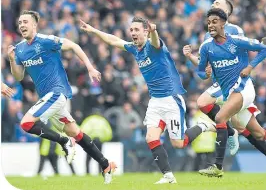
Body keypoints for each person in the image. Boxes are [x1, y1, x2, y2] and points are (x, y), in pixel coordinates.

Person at [80, 17, 216, 184]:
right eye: (131, 30)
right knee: (151, 137)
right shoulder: (133, 48)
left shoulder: (154, 46)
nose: (133, 33)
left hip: (171, 99)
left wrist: (153, 30)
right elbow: (113, 40)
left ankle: (203, 126)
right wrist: (94, 30)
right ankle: (168, 175)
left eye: (136, 30)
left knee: (178, 144)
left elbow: (156, 41)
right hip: (155, 101)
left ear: (145, 31)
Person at [7, 10, 116, 184]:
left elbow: (74, 46)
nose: (22, 25)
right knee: (76, 133)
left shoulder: (46, 41)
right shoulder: (19, 49)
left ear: (34, 24)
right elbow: (19, 76)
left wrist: (90, 67)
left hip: (57, 93)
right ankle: (105, 164)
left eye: (25, 22)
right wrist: (12, 60)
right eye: (20, 23)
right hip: (49, 98)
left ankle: (63, 141)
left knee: (26, 123)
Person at [183, 0, 266, 157]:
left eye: (218, 4)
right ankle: (229, 131)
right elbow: (203, 65)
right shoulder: (208, 35)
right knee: (244, 127)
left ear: (226, 12)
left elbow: (242, 54)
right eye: (213, 3)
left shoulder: (235, 31)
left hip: (235, 84)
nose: (213, 4)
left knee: (254, 131)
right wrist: (191, 58)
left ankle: (228, 131)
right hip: (219, 84)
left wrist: (247, 70)